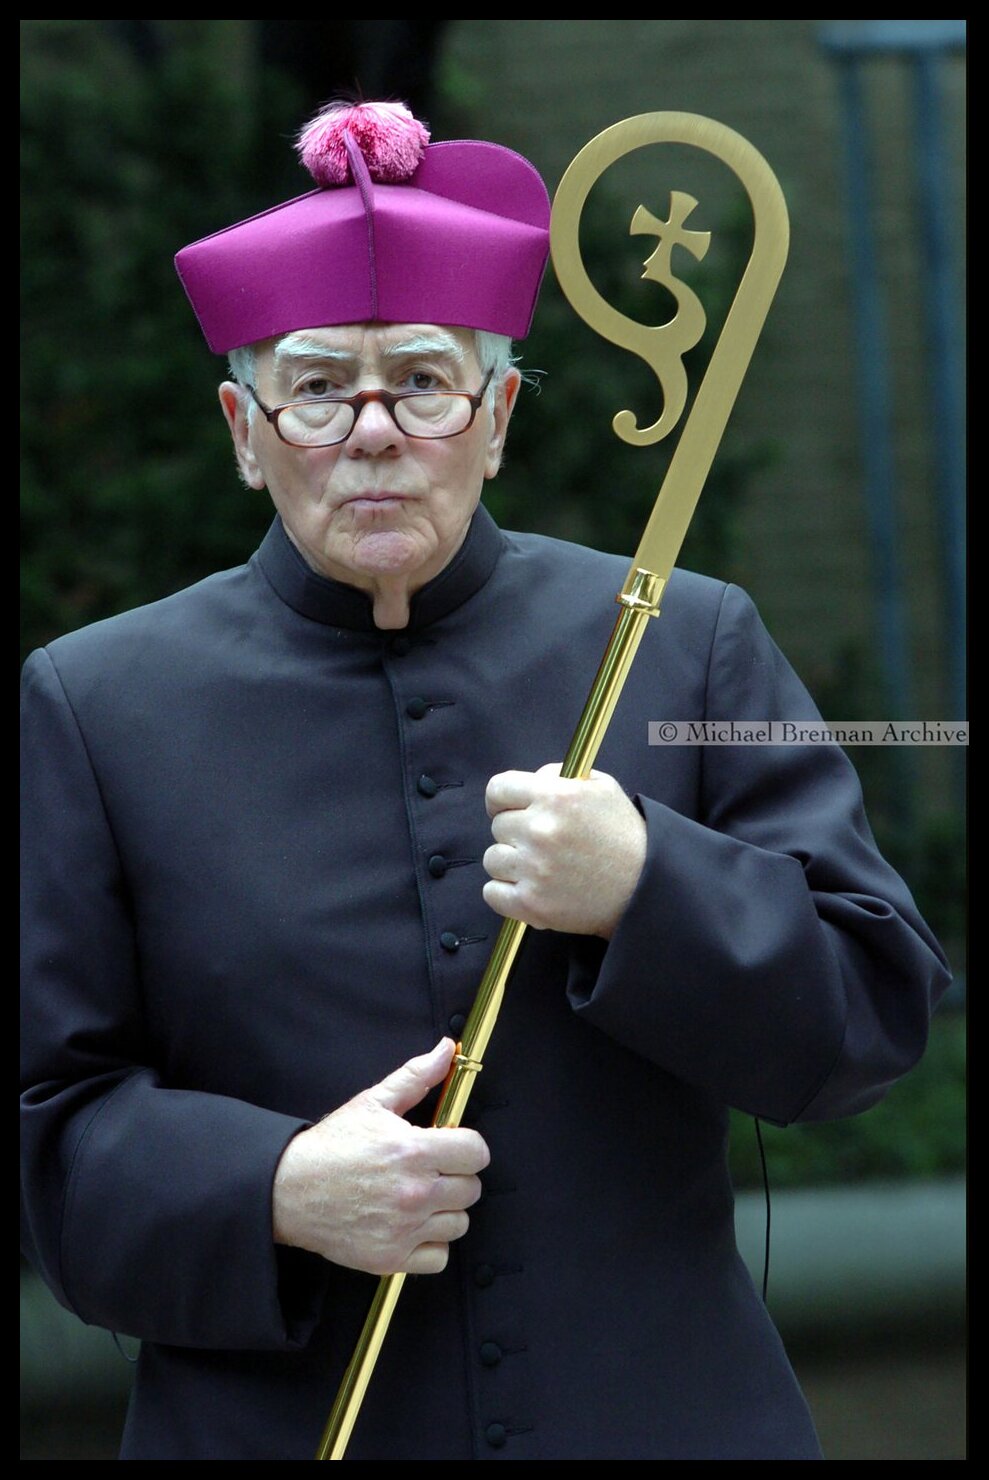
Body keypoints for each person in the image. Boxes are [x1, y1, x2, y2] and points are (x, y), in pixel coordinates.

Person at [20, 99, 950, 1462]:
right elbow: (46, 1117)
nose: (374, 429)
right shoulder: (96, 704)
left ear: (498, 414)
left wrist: (647, 887)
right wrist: (268, 1187)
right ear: (242, 425)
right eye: (320, 385)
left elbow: (870, 1019)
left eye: (425, 380)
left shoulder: (684, 642)